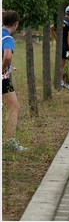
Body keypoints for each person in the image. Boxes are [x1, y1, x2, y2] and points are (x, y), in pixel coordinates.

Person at [2, 10, 27, 151]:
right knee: (13, 108)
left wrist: (9, 66)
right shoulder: (7, 38)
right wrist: (4, 67)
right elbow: (7, 56)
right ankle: (10, 143)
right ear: (16, 24)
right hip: (3, 78)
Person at [50, 5, 69, 90]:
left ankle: (61, 82)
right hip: (67, 47)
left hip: (61, 46)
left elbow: (51, 28)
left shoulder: (61, 21)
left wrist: (56, 38)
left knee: (61, 65)